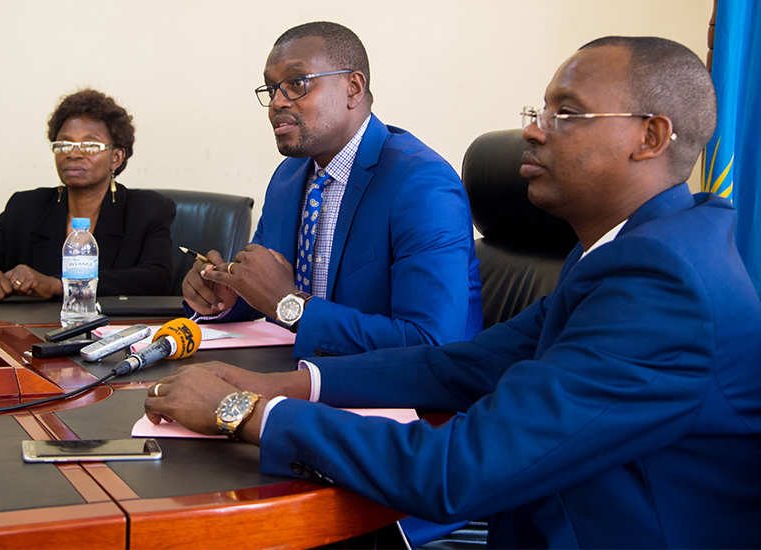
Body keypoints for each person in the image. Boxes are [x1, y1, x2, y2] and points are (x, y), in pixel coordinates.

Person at [145, 36, 761, 548]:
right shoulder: (623, 248)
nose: (533, 133)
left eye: (564, 115)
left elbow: (458, 469)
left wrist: (243, 413)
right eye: (538, 113)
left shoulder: (664, 283)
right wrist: (284, 385)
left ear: (650, 137)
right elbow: (467, 363)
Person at [182, 21, 483, 358]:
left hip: (404, 401)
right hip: (303, 377)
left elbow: (432, 343)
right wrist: (227, 295)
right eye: (271, 89)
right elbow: (266, 288)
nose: (276, 103)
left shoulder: (421, 184)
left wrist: (290, 305)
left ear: (353, 88)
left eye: (296, 84)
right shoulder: (289, 176)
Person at [0, 89, 175, 303]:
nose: (73, 153)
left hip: (112, 336)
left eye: (90, 145)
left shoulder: (147, 209)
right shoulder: (27, 207)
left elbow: (155, 280)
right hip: (33, 337)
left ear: (116, 157)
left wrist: (58, 285)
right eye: (64, 144)